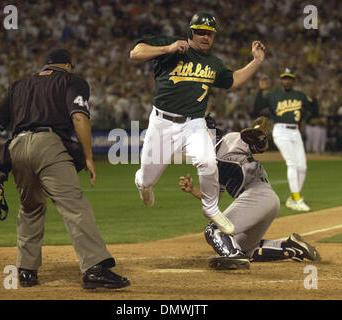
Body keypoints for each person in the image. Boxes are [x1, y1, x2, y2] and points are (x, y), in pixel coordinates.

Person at [0, 48, 130, 289]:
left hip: (16, 147)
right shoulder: (71, 80)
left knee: (30, 208)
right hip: (49, 144)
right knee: (74, 205)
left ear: (45, 66)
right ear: (68, 66)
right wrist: (89, 157)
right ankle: (94, 268)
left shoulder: (19, 85)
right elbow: (79, 117)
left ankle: (26, 270)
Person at [129, 11, 266, 235]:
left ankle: (211, 208)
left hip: (194, 123)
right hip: (162, 123)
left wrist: (256, 61)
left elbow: (233, 81)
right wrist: (168, 48)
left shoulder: (213, 63)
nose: (205, 37)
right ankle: (142, 184)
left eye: (209, 34)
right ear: (191, 32)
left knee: (207, 161)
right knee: (147, 179)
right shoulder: (171, 45)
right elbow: (135, 53)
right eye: (200, 32)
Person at [179, 116, 321, 270]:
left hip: (257, 195)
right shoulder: (208, 162)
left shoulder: (229, 140)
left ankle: (233, 258)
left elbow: (258, 146)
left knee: (214, 231)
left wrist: (257, 134)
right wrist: (193, 190)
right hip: (264, 201)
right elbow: (214, 200)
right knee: (243, 248)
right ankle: (292, 248)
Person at [253, 69, 318, 212]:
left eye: (289, 78)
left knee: (302, 167)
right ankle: (297, 198)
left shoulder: (300, 95)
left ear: (293, 80)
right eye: (284, 78)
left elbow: (314, 112)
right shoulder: (273, 95)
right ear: (281, 80)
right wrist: (260, 91)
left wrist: (314, 99)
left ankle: (293, 198)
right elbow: (256, 109)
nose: (286, 81)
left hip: (295, 132)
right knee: (292, 163)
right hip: (281, 131)